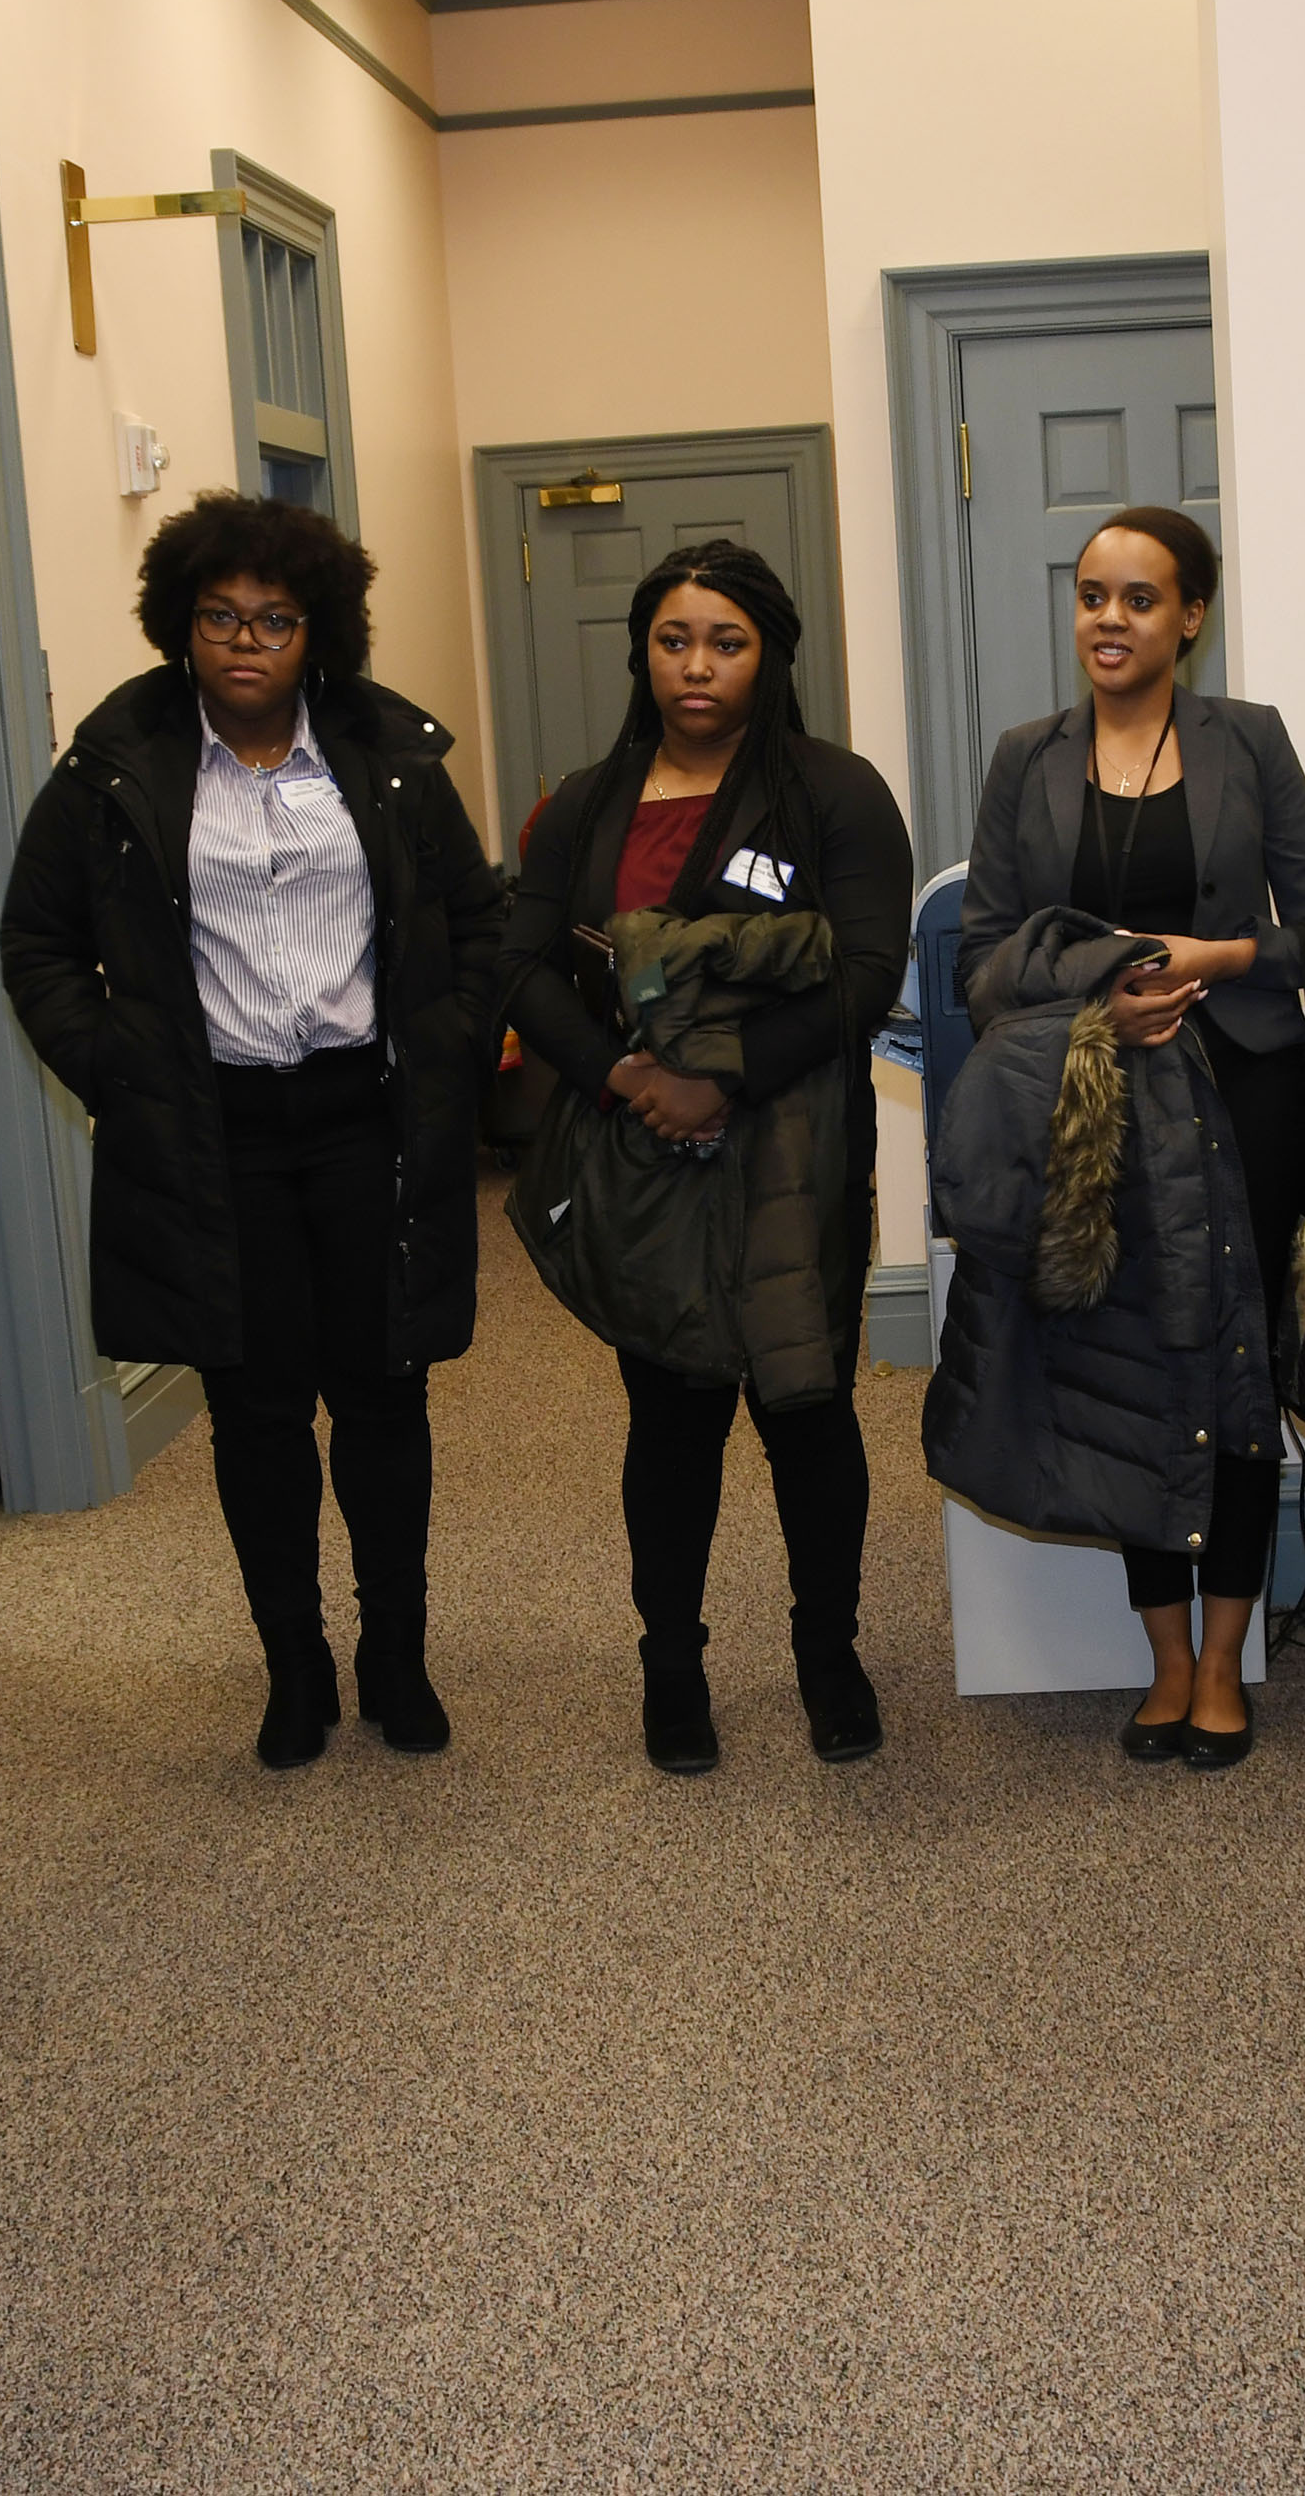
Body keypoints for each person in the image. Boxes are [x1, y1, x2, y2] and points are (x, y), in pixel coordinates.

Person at [0, 493, 506, 1770]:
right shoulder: (116, 765)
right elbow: (36, 943)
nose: (244, 643)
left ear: (316, 632)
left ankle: (397, 1655)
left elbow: (479, 916)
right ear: (180, 624)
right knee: (257, 1416)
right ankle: (296, 1669)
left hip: (364, 1125)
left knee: (385, 1403)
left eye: (274, 621)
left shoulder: (386, 757)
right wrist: (120, 1068)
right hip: (210, 1141)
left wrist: (443, 1041)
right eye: (219, 617)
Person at [497, 541, 909, 1773]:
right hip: (641, 1156)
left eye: (725, 642)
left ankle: (827, 1658)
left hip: (791, 1147)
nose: (697, 666)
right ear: (642, 651)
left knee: (808, 1411)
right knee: (669, 1424)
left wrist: (719, 1075)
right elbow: (519, 966)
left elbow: (871, 974)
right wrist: (632, 1080)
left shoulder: (833, 792)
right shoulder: (585, 801)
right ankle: (669, 1669)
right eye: (674, 640)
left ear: (769, 655)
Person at [952, 506, 1305, 1767]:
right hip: (1095, 1109)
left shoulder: (1251, 742)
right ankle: (1164, 1661)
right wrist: (1095, 1001)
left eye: (1137, 599)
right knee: (1126, 1372)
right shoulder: (1026, 756)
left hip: (1244, 1096)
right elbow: (982, 960)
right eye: (1089, 596)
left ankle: (1226, 1664)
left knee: (1230, 1375)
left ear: (1190, 617)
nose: (1107, 621)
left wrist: (1223, 953)